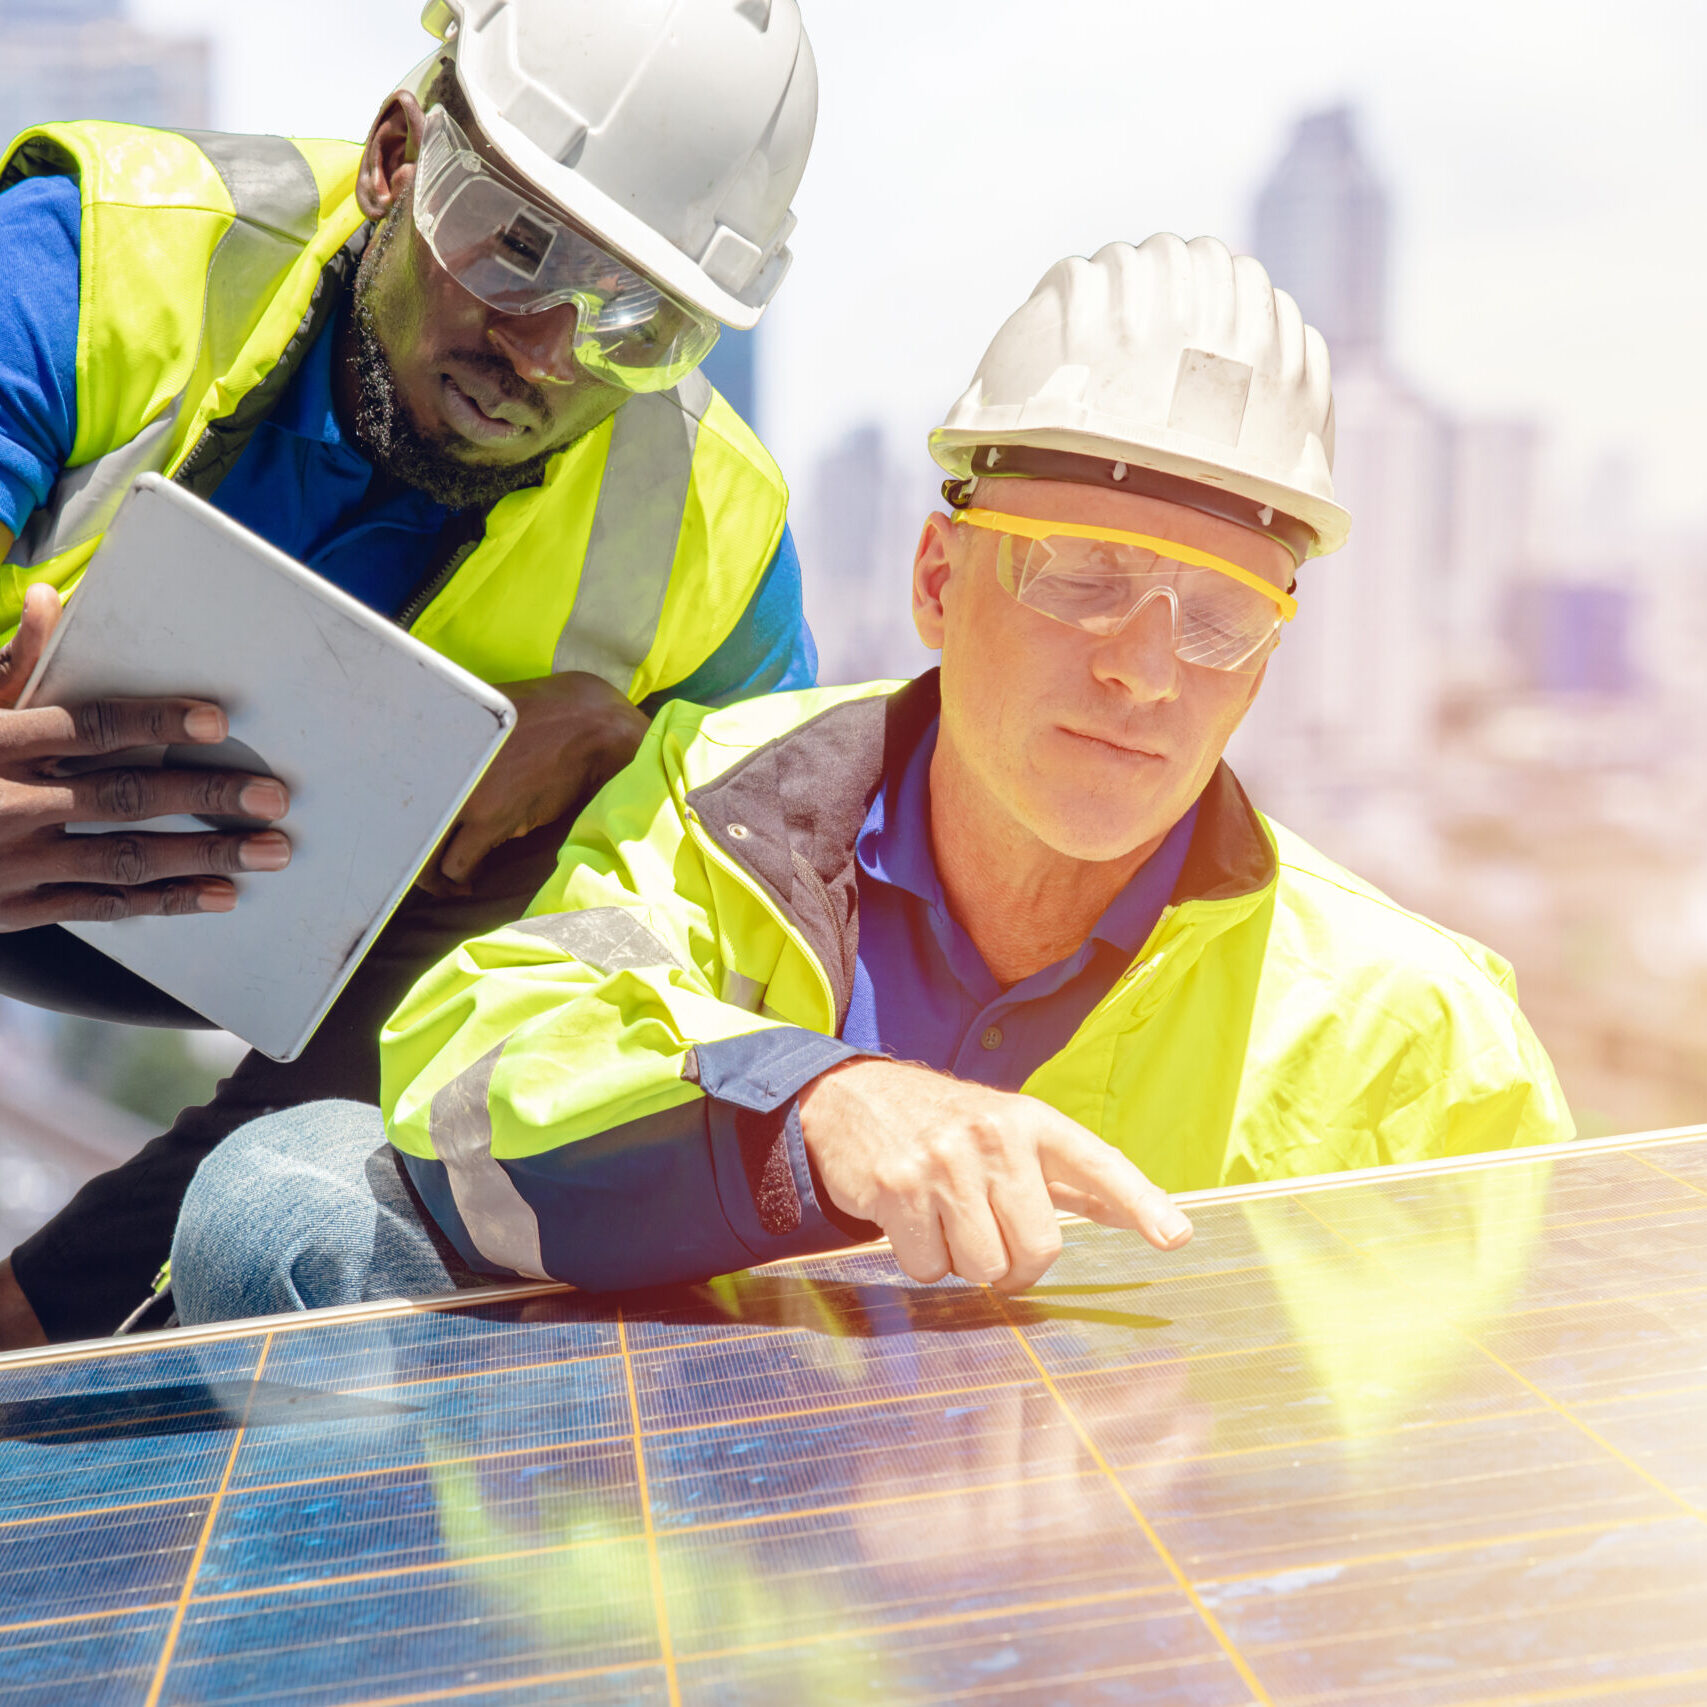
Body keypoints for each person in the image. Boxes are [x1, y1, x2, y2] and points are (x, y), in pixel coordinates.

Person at [169, 234, 1573, 1320]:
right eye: (1082, 577)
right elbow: (473, 1064)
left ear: (1266, 665)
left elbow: (1524, 1449)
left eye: (1216, 618)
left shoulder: (1421, 1042)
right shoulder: (725, 804)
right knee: (288, 1207)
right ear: (938, 579)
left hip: (1121, 1637)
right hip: (702, 1554)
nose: (1147, 671)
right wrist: (817, 1110)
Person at [0, 0, 821, 1347]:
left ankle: (45, 1321)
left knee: (621, 885)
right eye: (519, 250)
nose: (545, 350)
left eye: (636, 322)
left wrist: (619, 758)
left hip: (326, 953)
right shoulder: (91, 269)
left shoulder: (708, 534)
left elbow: (751, 946)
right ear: (395, 156)